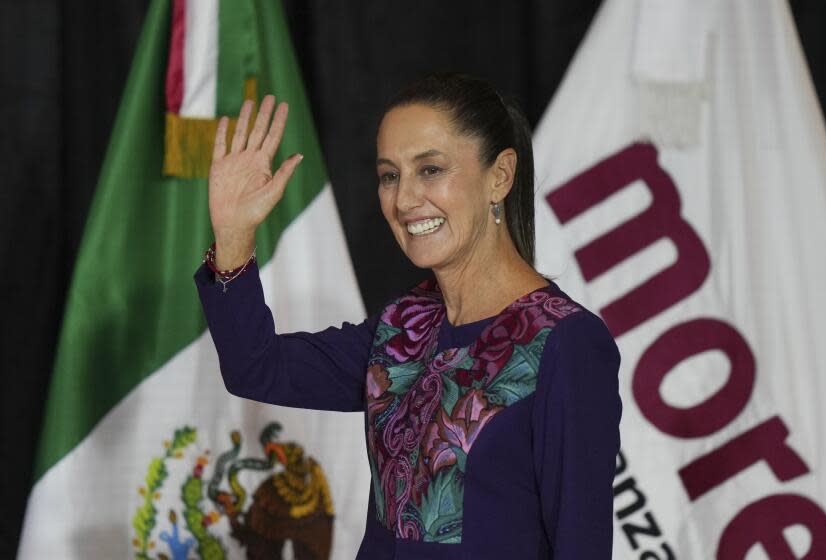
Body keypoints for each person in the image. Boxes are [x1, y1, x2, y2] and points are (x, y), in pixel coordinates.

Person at [195, 73, 622, 559]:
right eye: (389, 175)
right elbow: (258, 369)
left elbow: (581, 543)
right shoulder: (404, 326)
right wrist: (233, 237)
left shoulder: (565, 342)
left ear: (500, 176)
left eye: (431, 169)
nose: (403, 200)